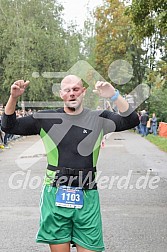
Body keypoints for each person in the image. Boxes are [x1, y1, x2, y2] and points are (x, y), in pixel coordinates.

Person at [2, 75, 139, 252]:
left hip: (87, 195)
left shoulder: (99, 118)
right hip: (55, 194)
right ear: (61, 94)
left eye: (76, 89)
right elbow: (8, 126)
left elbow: (131, 120)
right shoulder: (46, 118)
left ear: (83, 92)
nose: (72, 93)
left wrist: (114, 95)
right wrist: (13, 97)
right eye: (67, 90)